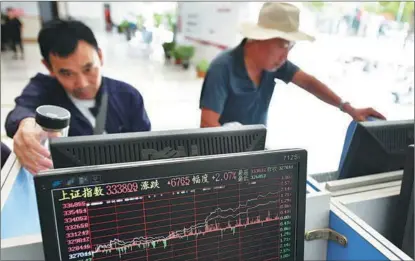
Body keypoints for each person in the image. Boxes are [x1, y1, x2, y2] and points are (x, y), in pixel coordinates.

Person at [199, 3, 385, 128]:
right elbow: (208, 125)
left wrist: (349, 109)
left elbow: (309, 83)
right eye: (281, 46)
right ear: (259, 38)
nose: (285, 56)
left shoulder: (274, 65)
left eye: (290, 47)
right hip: (226, 158)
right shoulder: (223, 68)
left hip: (255, 152)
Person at [5, 19, 151, 175]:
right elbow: (21, 110)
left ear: (100, 56)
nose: (82, 83)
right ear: (49, 67)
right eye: (67, 73)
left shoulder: (128, 97)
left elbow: (146, 150)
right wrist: (26, 124)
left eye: (88, 69)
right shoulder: (44, 90)